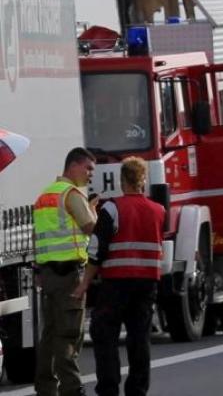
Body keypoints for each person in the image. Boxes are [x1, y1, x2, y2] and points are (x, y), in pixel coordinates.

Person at [73, 157, 164, 396]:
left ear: (122, 180)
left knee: (105, 336)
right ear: (143, 181)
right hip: (147, 283)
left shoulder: (112, 208)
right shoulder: (158, 211)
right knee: (140, 338)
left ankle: (109, 389)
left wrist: (84, 284)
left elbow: (96, 249)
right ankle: (137, 390)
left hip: (116, 283)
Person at [33, 147, 97, 396]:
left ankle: (46, 389)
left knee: (49, 335)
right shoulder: (71, 195)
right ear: (74, 166)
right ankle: (72, 389)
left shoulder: (44, 195)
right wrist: (93, 209)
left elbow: (37, 237)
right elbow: (90, 227)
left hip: (48, 274)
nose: (91, 174)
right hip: (69, 275)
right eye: (88, 168)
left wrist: (39, 270)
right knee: (68, 335)